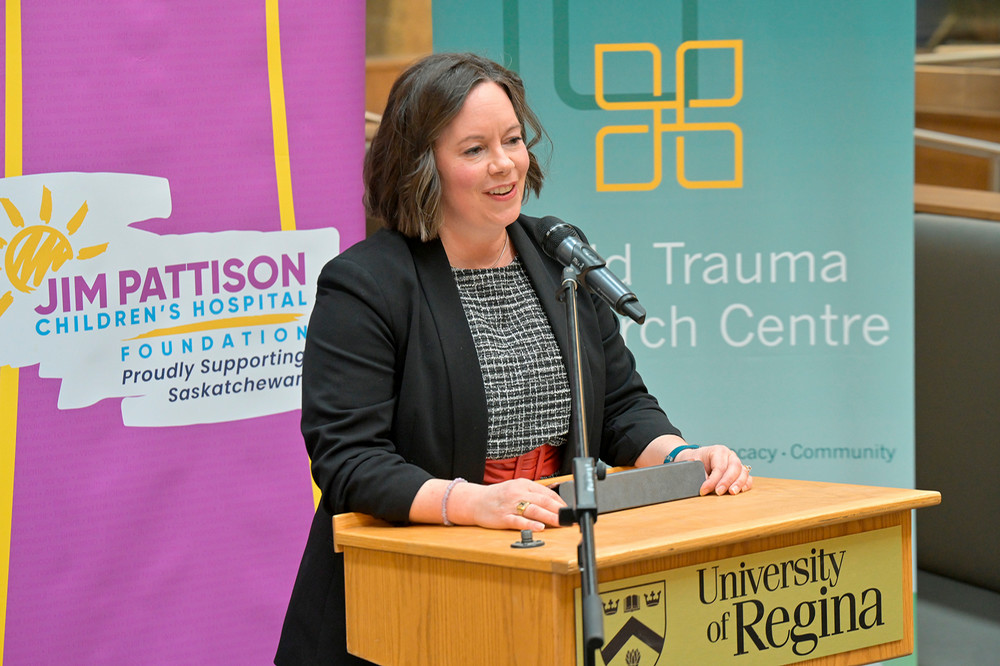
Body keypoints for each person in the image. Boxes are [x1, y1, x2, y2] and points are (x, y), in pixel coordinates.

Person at [275, 52, 752, 665]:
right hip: (403, 596)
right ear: (423, 167)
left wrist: (685, 460)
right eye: (474, 149)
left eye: (512, 140)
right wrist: (473, 502)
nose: (505, 165)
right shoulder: (365, 285)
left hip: (543, 570)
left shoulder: (558, 255)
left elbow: (618, 406)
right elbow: (349, 461)